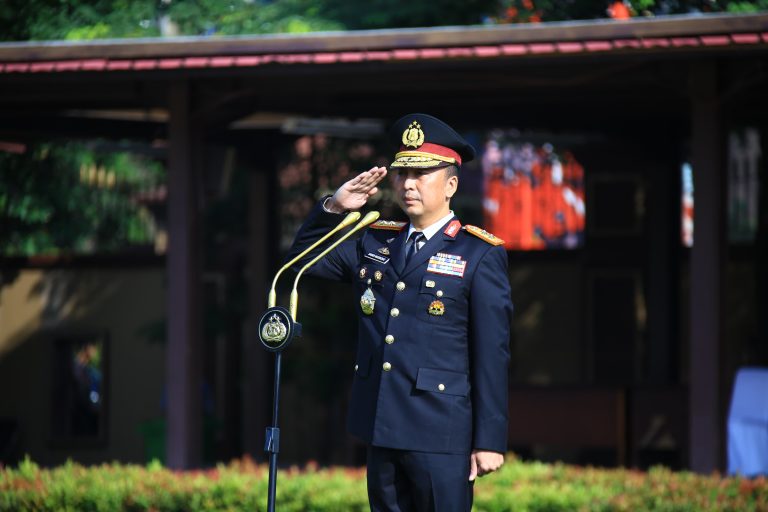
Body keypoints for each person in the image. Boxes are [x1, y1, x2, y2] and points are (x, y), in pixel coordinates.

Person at [286, 113, 513, 511]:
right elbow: (303, 260)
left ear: (451, 185)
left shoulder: (478, 253)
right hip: (382, 425)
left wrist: (489, 440)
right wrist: (334, 206)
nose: (408, 184)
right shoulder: (376, 241)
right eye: (403, 173)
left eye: (421, 174)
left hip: (441, 433)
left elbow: (492, 353)